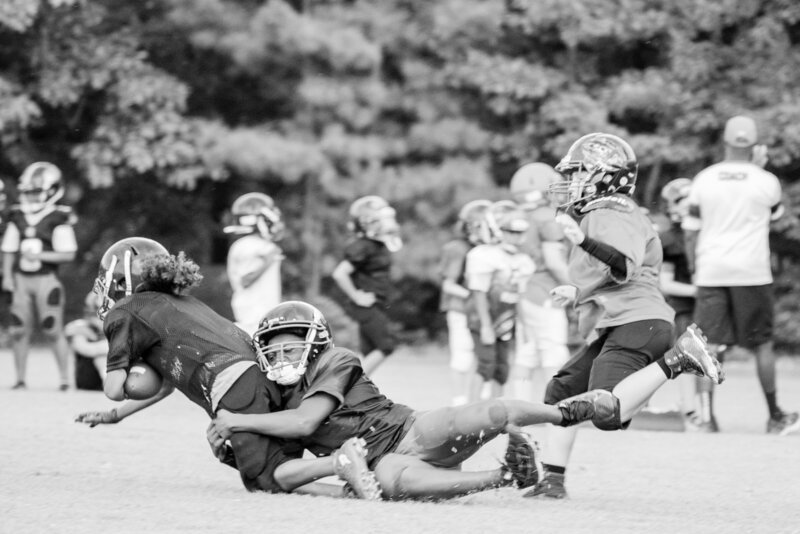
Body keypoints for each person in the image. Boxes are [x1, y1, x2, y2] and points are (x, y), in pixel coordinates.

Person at [73, 237, 382, 499]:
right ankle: (349, 488)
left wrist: (128, 379)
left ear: (121, 280)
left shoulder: (123, 311)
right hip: (262, 374)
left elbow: (114, 389)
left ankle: (340, 462)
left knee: (265, 479)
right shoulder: (180, 302)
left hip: (232, 385)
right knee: (277, 466)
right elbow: (168, 385)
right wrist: (117, 416)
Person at [207, 300, 606, 501]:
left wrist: (236, 422)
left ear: (314, 345)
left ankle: (565, 412)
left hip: (409, 429)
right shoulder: (274, 399)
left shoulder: (336, 359)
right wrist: (231, 449)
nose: (281, 359)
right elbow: (279, 463)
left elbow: (305, 422)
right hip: (385, 460)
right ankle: (506, 477)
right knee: (391, 480)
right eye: (273, 353)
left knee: (493, 411)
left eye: (290, 349)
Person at [526, 132, 724, 500]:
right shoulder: (605, 212)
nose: (571, 182)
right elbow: (613, 276)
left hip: (640, 322)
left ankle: (679, 358)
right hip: (625, 321)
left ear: (605, 175)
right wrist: (578, 290)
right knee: (563, 391)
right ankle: (552, 482)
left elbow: (623, 264)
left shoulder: (610, 211)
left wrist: (582, 240)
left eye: (579, 173)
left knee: (606, 411)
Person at [683, 115, 799, 436]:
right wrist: (759, 168)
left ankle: (706, 419)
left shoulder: (704, 179)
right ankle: (775, 416)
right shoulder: (766, 181)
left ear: (725, 141)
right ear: (756, 145)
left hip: (712, 270)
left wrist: (696, 269)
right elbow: (775, 215)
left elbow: (691, 231)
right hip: (752, 272)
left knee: (705, 344)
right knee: (762, 344)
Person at [1, 162, 77, 391]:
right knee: (18, 328)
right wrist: (7, 276)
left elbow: (68, 253)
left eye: (36, 192)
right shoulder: (18, 216)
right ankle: (20, 378)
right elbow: (9, 248)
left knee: (52, 326)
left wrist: (40, 255)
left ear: (52, 191)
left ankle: (64, 379)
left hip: (46, 278)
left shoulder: (58, 217)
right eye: (29, 192)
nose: (32, 197)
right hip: (22, 279)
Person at [508, 163, 573, 403]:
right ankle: (556, 407)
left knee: (528, 354)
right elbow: (554, 262)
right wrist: (579, 288)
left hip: (524, 292)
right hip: (545, 292)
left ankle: (520, 407)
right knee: (554, 351)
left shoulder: (522, 216)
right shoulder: (547, 218)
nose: (560, 192)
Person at [464, 200, 535, 400]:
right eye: (511, 232)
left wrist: (525, 325)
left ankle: (493, 412)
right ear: (496, 229)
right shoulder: (483, 256)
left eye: (520, 233)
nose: (517, 238)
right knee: (485, 363)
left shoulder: (522, 260)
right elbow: (478, 293)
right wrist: (486, 326)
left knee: (502, 368)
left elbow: (518, 297)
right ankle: (470, 410)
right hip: (483, 318)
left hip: (506, 319)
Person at [332, 195, 402, 376]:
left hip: (376, 303)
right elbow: (340, 273)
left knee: (370, 351)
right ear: (368, 222)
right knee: (386, 345)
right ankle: (350, 384)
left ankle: (358, 394)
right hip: (366, 305)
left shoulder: (376, 244)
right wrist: (356, 295)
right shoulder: (363, 246)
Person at [439, 199, 490, 406]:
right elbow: (448, 284)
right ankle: (459, 403)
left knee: (486, 358)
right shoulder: (459, 248)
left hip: (482, 310)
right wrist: (474, 295)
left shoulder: (492, 248)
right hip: (462, 309)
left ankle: (481, 401)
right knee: (463, 357)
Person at [223, 192, 285, 336]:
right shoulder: (250, 245)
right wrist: (268, 260)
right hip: (252, 319)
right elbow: (245, 279)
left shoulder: (255, 244)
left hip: (261, 318)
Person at [65, 291, 108, 391]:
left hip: (115, 376)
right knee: (101, 356)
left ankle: (109, 381)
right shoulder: (80, 327)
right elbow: (86, 349)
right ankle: (107, 379)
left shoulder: (120, 327)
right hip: (88, 380)